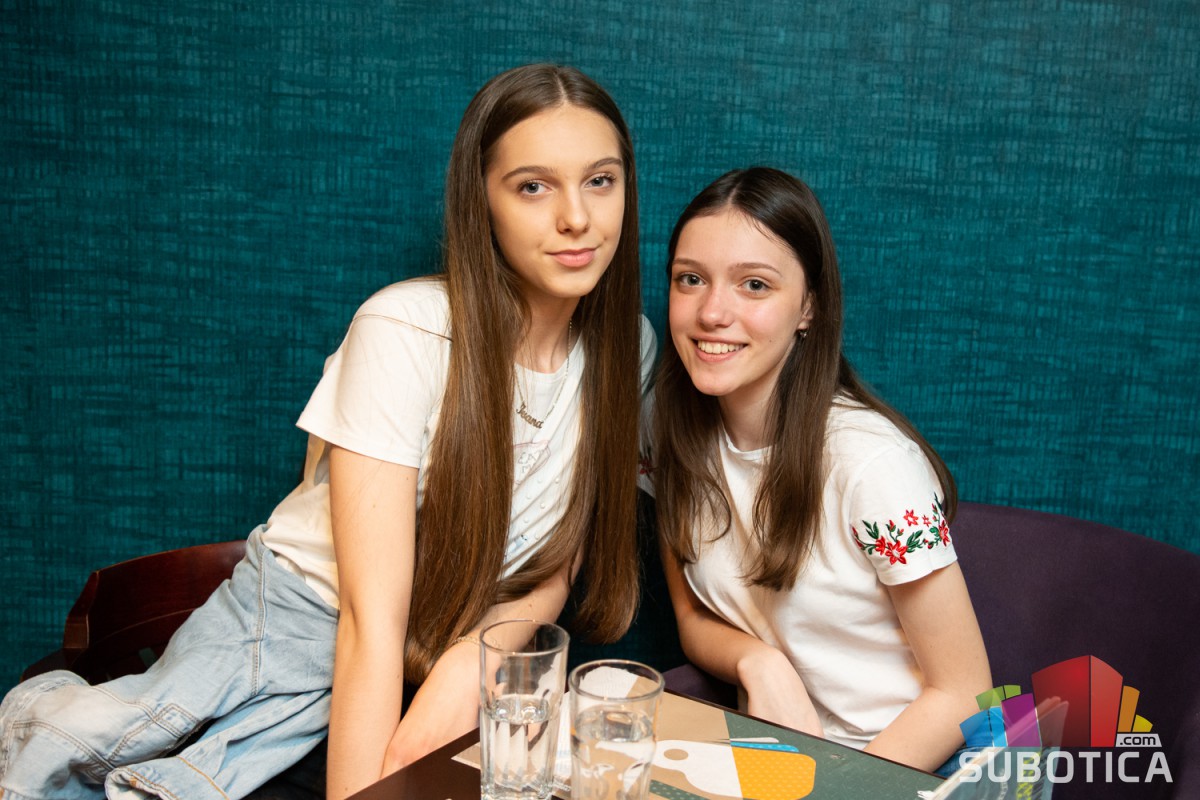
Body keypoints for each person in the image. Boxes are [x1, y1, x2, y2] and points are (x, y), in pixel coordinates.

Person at [0, 63, 654, 800]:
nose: (577, 218)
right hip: (300, 632)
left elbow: (556, 563)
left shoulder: (628, 348)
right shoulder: (405, 329)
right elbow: (370, 624)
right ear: (483, 203)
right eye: (533, 186)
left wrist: (469, 664)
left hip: (452, 654)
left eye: (600, 180)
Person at [646, 167, 991, 774]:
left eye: (754, 285)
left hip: (919, 765)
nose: (712, 312)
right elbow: (691, 618)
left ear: (809, 306)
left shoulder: (873, 463)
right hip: (785, 761)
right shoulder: (663, 428)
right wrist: (760, 663)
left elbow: (964, 693)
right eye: (690, 279)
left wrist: (834, 790)